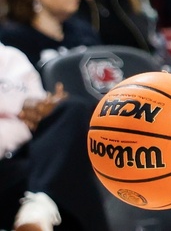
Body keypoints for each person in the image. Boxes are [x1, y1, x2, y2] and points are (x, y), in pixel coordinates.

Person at [0, 40, 110, 231]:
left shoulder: (12, 56)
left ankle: (39, 205)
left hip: (28, 154)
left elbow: (37, 106)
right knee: (69, 178)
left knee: (74, 107)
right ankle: (39, 205)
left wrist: (40, 109)